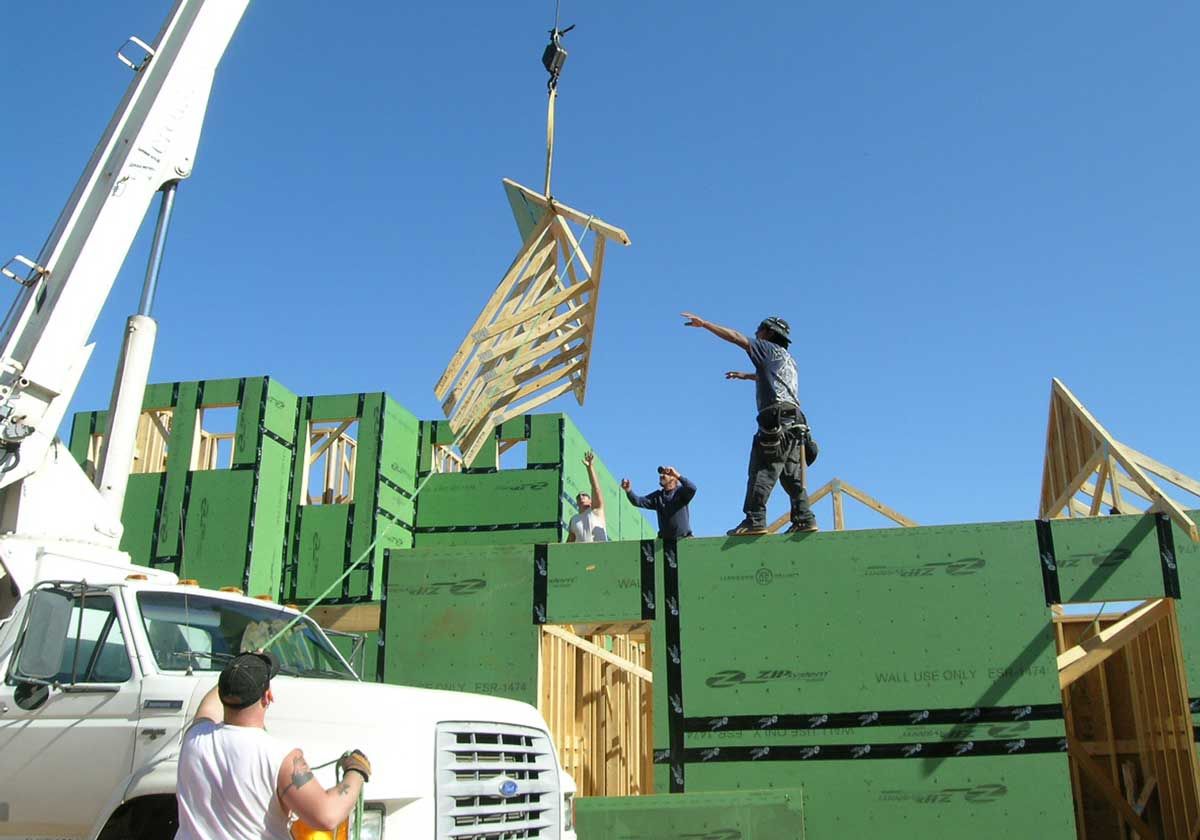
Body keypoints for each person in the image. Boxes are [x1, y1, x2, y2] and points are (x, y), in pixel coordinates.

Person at [175, 650, 372, 840]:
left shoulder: (194, 738)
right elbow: (327, 815)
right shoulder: (282, 758)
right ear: (268, 696)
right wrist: (356, 772)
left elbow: (209, 705)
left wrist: (240, 666)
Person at [682, 311, 818, 536]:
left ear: (768, 333)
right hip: (796, 422)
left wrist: (705, 324)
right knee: (791, 476)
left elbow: (736, 337)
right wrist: (746, 376)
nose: (755, 333)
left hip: (775, 421)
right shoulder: (789, 360)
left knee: (762, 469)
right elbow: (773, 377)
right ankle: (804, 518)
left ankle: (755, 520)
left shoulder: (765, 348)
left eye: (759, 330)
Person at [621, 465, 696, 539]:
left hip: (684, 540)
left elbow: (692, 488)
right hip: (665, 543)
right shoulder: (658, 496)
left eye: (665, 474)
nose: (661, 475)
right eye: (661, 473)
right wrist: (628, 490)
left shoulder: (680, 492)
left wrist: (677, 475)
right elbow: (638, 501)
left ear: (674, 478)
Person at [567, 451, 608, 542]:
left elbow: (595, 487)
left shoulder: (596, 510)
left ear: (590, 500)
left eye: (584, 495)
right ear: (577, 503)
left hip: (601, 553)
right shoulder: (573, 520)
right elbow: (569, 543)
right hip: (582, 555)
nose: (581, 496)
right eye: (578, 496)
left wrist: (590, 467)